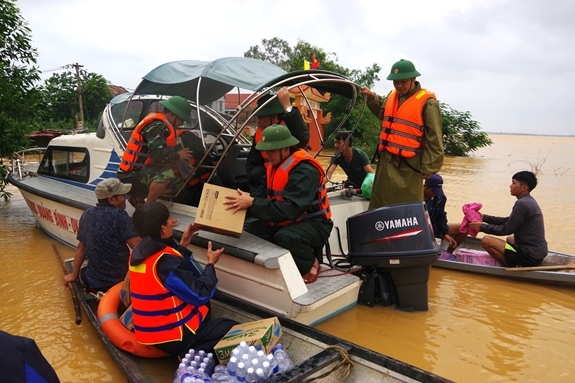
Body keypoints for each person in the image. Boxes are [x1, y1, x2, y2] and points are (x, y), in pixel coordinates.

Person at [128, 201, 238, 358]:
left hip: (148, 331)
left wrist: (183, 244)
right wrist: (210, 265)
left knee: (205, 309)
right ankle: (189, 352)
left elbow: (168, 274)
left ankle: (193, 343)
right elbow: (200, 294)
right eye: (168, 221)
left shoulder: (137, 252)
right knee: (230, 327)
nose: (171, 223)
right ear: (163, 228)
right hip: (171, 338)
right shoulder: (165, 262)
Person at [225, 125, 333, 284]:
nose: (268, 155)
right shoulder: (274, 166)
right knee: (250, 232)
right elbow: (265, 195)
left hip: (314, 223)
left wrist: (253, 203)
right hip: (286, 218)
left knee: (286, 237)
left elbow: (291, 208)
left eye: (272, 151)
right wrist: (248, 198)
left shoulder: (305, 170)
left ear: (286, 148)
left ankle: (310, 262)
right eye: (266, 151)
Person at [359, 59, 443, 209]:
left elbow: (434, 137)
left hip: (409, 166)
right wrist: (372, 98)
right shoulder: (393, 96)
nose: (399, 85)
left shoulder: (428, 102)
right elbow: (383, 113)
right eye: (395, 82)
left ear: (414, 79)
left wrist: (429, 167)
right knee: (381, 202)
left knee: (406, 208)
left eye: (403, 82)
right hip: (387, 162)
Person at [64, 178, 140, 292]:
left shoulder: (87, 213)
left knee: (84, 271)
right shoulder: (120, 215)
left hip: (94, 281)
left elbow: (81, 247)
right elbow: (137, 245)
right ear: (111, 199)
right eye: (122, 195)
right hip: (119, 280)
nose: (126, 198)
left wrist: (74, 274)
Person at [117, 95, 194, 207]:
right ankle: (147, 210)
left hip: (140, 173)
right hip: (129, 177)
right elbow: (158, 156)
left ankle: (137, 199)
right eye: (181, 119)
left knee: (178, 183)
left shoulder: (162, 125)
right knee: (166, 174)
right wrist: (178, 155)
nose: (182, 123)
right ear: (172, 114)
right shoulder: (155, 126)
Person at [467, 171, 548, 267]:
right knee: (510, 239)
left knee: (486, 240)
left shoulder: (522, 204)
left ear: (524, 187)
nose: (510, 186)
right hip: (538, 253)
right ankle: (516, 260)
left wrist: (482, 227)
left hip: (528, 256)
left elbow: (506, 229)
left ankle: (512, 266)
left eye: (514, 183)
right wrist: (484, 217)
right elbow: (508, 221)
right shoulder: (528, 201)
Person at [246, 87, 309, 198]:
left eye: (261, 117)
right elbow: (252, 162)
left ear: (274, 117)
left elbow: (303, 137)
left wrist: (287, 107)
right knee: (256, 172)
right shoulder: (259, 134)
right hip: (267, 179)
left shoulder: (289, 129)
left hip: (291, 178)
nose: (258, 121)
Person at [423, 174, 457, 249]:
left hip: (436, 230)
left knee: (464, 228)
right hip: (423, 232)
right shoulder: (416, 198)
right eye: (433, 191)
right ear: (425, 186)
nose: (434, 193)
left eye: (437, 191)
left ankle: (447, 255)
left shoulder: (440, 198)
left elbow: (441, 215)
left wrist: (445, 233)